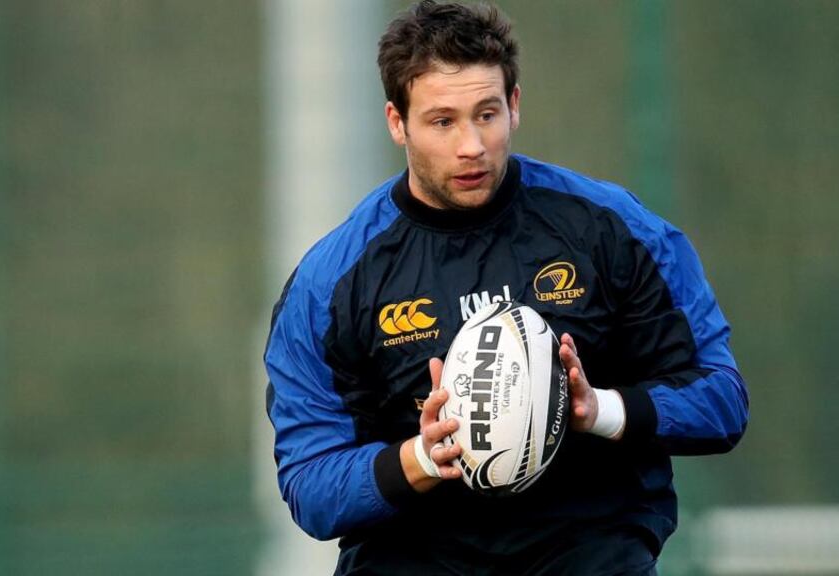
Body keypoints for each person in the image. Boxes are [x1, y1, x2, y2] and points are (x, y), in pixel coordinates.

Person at [264, 1, 749, 574]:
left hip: (589, 548)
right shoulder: (331, 282)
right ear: (397, 122)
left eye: (487, 114)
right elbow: (310, 484)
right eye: (443, 121)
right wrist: (423, 456)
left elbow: (720, 399)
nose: (471, 144)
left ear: (514, 106)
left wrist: (600, 411)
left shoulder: (612, 230)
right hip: (414, 558)